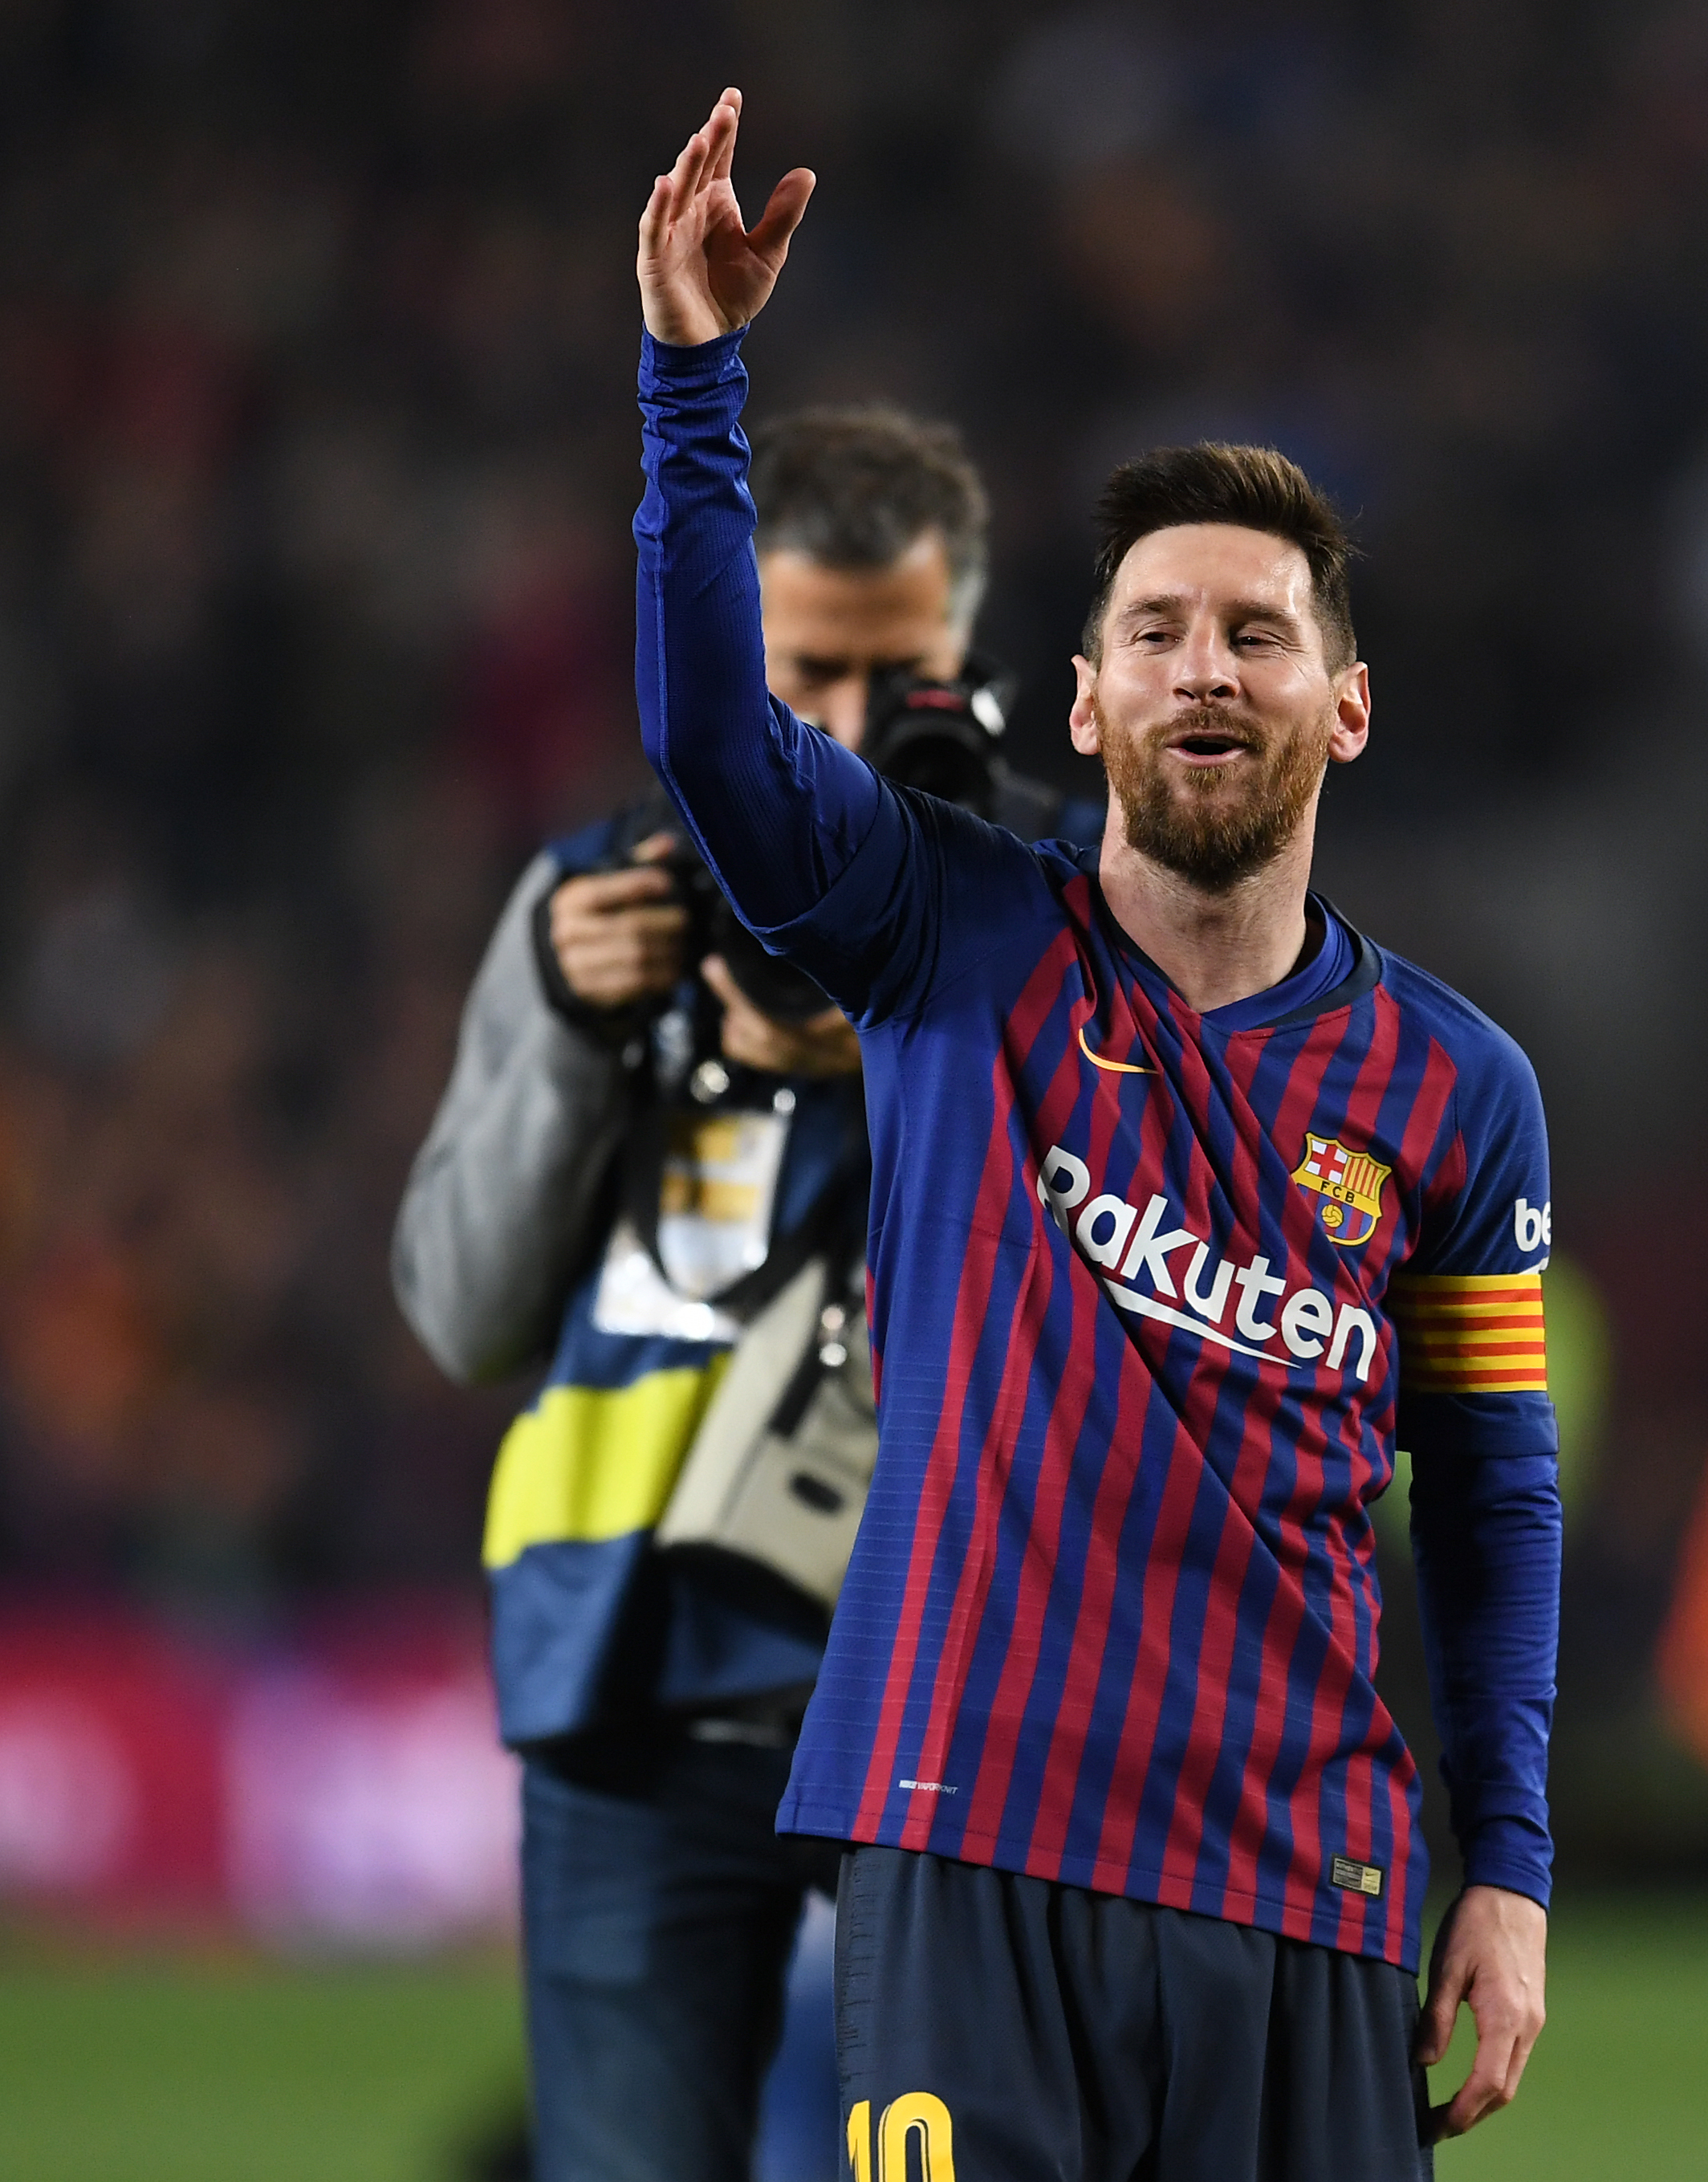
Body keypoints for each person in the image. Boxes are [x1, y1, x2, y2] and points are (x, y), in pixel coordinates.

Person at [630, 91, 1558, 2180]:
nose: (1199, 665)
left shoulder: (1453, 1089)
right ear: (1078, 702)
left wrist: (1499, 1862)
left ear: (1342, 703)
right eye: (1152, 630)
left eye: (1253, 631)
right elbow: (708, 734)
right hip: (963, 1844)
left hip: (1304, 1887)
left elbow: (1491, 1495)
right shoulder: (942, 928)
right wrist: (690, 378)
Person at [396, 389, 1092, 2174]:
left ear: (969, 663)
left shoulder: (1071, 919)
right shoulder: (600, 907)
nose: (849, 734)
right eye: (800, 677)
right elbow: (462, 1312)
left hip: (966, 1699)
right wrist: (566, 1039)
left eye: (899, 678)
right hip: (645, 1688)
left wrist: (923, 1046)